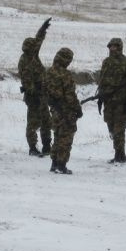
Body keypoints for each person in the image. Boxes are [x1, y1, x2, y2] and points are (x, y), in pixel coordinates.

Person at [96, 38, 126, 163]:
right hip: (108, 101)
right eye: (110, 46)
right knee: (110, 127)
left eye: (115, 46)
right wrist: (100, 96)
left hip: (121, 102)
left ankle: (120, 155)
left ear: (120, 47)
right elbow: (102, 80)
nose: (112, 48)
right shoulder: (106, 62)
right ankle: (118, 152)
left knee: (119, 129)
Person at [17, 18, 53, 157]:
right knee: (33, 122)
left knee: (46, 121)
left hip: (42, 95)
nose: (35, 48)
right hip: (33, 97)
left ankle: (46, 146)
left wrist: (43, 29)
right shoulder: (24, 61)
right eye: (33, 48)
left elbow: (38, 40)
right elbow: (27, 82)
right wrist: (35, 93)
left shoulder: (33, 55)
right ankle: (33, 147)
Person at [44, 48, 82, 174]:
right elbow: (70, 96)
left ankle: (54, 164)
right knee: (66, 138)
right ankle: (61, 165)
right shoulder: (65, 74)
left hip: (54, 110)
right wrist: (77, 108)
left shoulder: (49, 72)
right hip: (66, 111)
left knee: (57, 136)